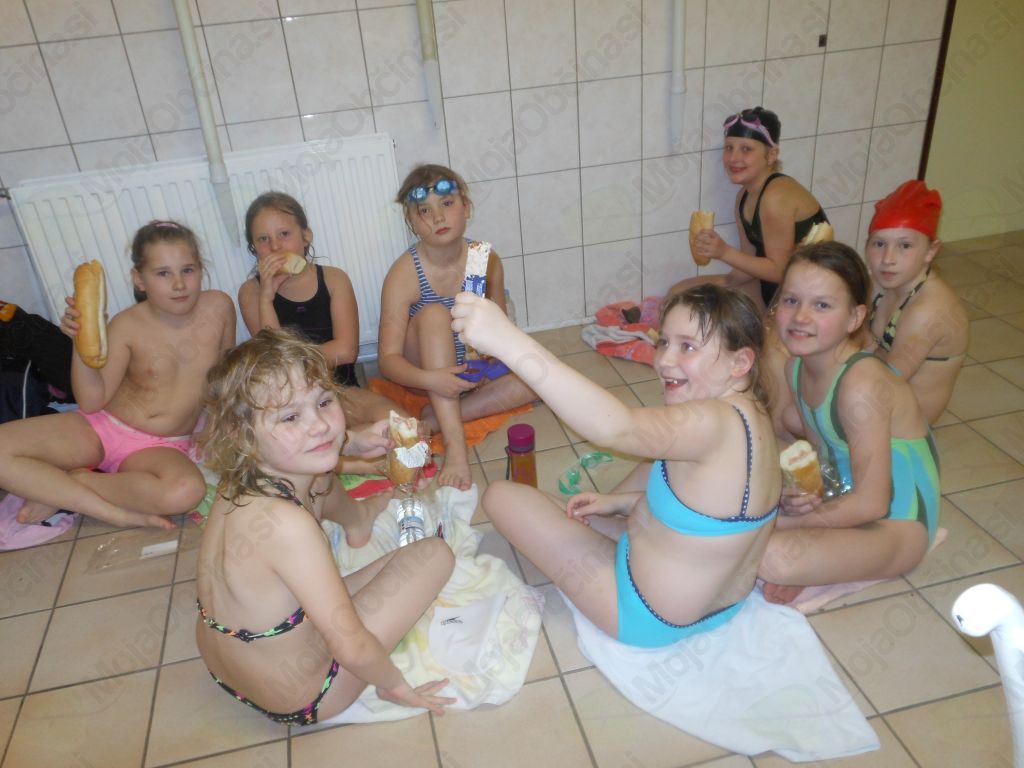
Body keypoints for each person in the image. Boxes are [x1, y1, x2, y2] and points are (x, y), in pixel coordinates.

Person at [452, 285, 781, 648]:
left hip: (645, 615)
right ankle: (617, 521)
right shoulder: (753, 414)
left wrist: (506, 340)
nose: (665, 360)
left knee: (501, 497)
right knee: (575, 505)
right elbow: (705, 510)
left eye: (688, 347)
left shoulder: (711, 422)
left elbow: (615, 427)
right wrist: (618, 503)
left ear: (740, 362)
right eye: (664, 342)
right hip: (718, 603)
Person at [196, 327, 454, 725]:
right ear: (243, 435)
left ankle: (359, 519)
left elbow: (308, 447)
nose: (318, 426)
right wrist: (394, 685)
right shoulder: (289, 527)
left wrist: (353, 440)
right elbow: (353, 648)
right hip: (304, 695)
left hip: (230, 666)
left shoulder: (242, 475)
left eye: (324, 402)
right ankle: (360, 519)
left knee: (315, 471)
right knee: (435, 554)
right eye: (290, 417)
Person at [0, 220, 236, 528]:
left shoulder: (219, 307)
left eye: (188, 270)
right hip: (102, 428)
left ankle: (75, 482)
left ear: (201, 270)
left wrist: (216, 426)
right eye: (163, 273)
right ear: (139, 279)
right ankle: (111, 511)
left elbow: (225, 376)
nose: (179, 284)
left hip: (161, 446)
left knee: (185, 491)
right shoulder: (126, 325)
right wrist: (81, 342)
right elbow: (91, 400)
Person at [760, 242, 941, 605]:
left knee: (769, 554)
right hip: (849, 500)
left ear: (855, 318)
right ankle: (821, 564)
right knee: (742, 497)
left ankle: (820, 562)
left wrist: (786, 524)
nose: (800, 317)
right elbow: (824, 461)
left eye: (822, 305)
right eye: (791, 300)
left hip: (897, 525)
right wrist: (803, 496)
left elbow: (873, 504)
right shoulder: (796, 367)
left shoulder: (861, 384)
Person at [378, 164, 534, 491]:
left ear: (466, 207)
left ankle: (436, 418)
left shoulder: (485, 260)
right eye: (424, 211)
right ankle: (455, 445)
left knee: (536, 376)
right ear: (411, 222)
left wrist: (491, 363)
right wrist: (431, 379)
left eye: (446, 204)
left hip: (470, 372)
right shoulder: (404, 273)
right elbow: (388, 360)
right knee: (435, 315)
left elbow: (500, 328)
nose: (437, 217)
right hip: (425, 374)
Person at [238, 191, 397, 429]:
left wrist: (294, 364)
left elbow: (346, 352)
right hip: (290, 404)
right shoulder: (251, 292)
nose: (275, 246)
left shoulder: (334, 279)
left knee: (396, 422)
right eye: (263, 239)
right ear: (253, 248)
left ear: (306, 236)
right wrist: (266, 300)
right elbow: (275, 361)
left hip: (340, 390)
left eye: (284, 234)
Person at [670, 107, 829, 311]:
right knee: (678, 294)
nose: (733, 158)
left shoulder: (776, 197)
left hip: (810, 298)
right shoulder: (743, 197)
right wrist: (725, 283)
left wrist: (723, 252)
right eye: (729, 148)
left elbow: (780, 271)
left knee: (702, 313)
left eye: (746, 149)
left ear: (771, 155)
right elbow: (750, 263)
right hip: (775, 288)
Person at [864, 180, 968, 424]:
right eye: (879, 244)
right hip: (886, 402)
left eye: (905, 246)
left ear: (931, 251)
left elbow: (888, 382)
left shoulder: (928, 310)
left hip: (907, 427)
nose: (888, 259)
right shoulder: (885, 282)